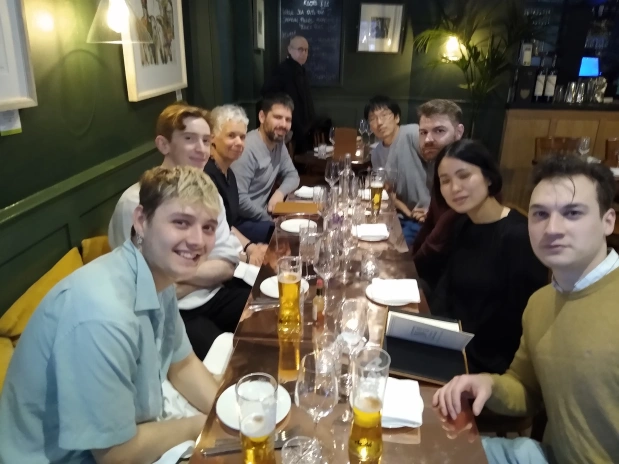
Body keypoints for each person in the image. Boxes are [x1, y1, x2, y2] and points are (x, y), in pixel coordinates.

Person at [0, 166, 220, 464]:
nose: (197, 241)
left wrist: (226, 413)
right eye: (181, 222)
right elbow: (116, 454)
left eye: (208, 227)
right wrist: (202, 426)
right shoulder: (103, 314)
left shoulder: (158, 275)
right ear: (141, 221)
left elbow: (182, 365)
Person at [433, 155, 619, 464]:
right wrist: (488, 383)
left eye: (572, 213)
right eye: (540, 214)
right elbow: (526, 388)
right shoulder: (542, 302)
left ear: (608, 221)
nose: (552, 228)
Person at [108, 103, 250, 360]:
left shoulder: (208, 193)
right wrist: (204, 271)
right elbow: (141, 289)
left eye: (206, 141)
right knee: (233, 359)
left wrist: (177, 276)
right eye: (189, 139)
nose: (201, 149)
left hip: (215, 295)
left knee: (270, 321)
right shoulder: (136, 203)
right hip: (172, 311)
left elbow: (228, 264)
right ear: (163, 145)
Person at [431, 139, 547, 375]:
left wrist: (455, 345)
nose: (454, 188)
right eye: (446, 181)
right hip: (453, 344)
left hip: (488, 364)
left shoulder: (518, 237)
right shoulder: (463, 223)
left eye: (464, 176)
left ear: (489, 177)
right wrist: (433, 330)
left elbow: (519, 322)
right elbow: (447, 284)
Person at [231, 93, 300, 244]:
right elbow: (239, 200)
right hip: (242, 222)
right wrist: (268, 218)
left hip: (261, 216)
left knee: (304, 226)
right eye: (277, 117)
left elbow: (293, 175)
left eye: (288, 119)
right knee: (291, 238)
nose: (283, 124)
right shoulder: (247, 149)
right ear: (262, 117)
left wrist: (280, 193)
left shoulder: (278, 143)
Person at [205, 104, 269, 266]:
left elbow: (227, 225)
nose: (239, 142)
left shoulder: (229, 174)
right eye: (231, 135)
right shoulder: (207, 176)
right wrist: (247, 258)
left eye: (242, 136)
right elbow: (210, 240)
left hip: (230, 250)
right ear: (212, 137)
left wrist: (251, 247)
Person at [411, 99, 465, 288]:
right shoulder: (440, 170)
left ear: (459, 132)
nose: (428, 139)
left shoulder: (465, 171)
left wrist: (407, 271)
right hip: (440, 272)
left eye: (439, 131)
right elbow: (428, 228)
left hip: (456, 284)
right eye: (423, 132)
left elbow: (436, 242)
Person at [365, 95, 428, 245]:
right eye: (373, 119)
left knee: (390, 248)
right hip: (403, 217)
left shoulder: (413, 134)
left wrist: (433, 210)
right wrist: (407, 211)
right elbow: (389, 193)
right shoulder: (376, 153)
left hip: (427, 218)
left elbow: (441, 169)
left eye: (384, 115)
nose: (379, 123)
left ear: (397, 118)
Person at [262, 35, 315, 154]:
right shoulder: (282, 70)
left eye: (306, 50)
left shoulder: (302, 70)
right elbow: (268, 92)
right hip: (292, 125)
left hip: (304, 124)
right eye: (300, 49)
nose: (304, 53)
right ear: (290, 50)